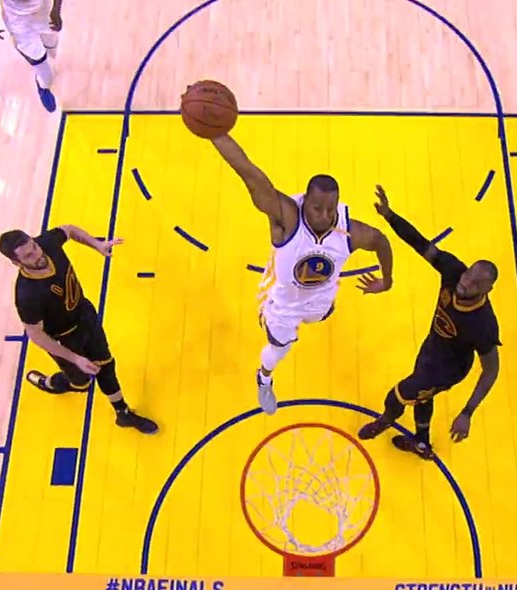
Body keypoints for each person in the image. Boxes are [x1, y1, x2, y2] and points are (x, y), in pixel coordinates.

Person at [207, 132, 396, 415]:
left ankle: (317, 312)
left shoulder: (352, 232)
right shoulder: (286, 216)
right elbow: (248, 172)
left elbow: (381, 241)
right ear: (305, 200)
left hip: (321, 297)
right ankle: (264, 378)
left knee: (321, 313)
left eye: (330, 208)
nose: (323, 214)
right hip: (282, 299)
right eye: (317, 207)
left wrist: (387, 281)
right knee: (279, 347)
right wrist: (216, 134)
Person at [357, 186, 501, 459]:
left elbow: (491, 371)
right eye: (468, 276)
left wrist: (467, 412)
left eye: (474, 284)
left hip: (449, 368)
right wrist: (390, 215)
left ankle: (384, 421)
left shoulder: (483, 324)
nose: (465, 283)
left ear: (486, 290)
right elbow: (420, 243)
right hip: (433, 348)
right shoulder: (453, 270)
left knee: (398, 395)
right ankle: (421, 443)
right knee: (422, 396)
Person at [0, 225, 158, 435]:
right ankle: (51, 382)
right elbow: (36, 335)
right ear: (16, 263)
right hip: (64, 339)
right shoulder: (27, 295)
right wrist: (75, 358)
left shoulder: (47, 244)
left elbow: (69, 230)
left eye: (35, 247)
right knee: (80, 383)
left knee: (105, 365)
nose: (37, 254)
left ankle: (123, 413)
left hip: (85, 317)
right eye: (29, 255)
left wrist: (97, 244)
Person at [0, 0, 64, 112]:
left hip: (43, 9)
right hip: (17, 19)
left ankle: (44, 56)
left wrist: (56, 9)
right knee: (46, 72)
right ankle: (42, 85)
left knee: (52, 48)